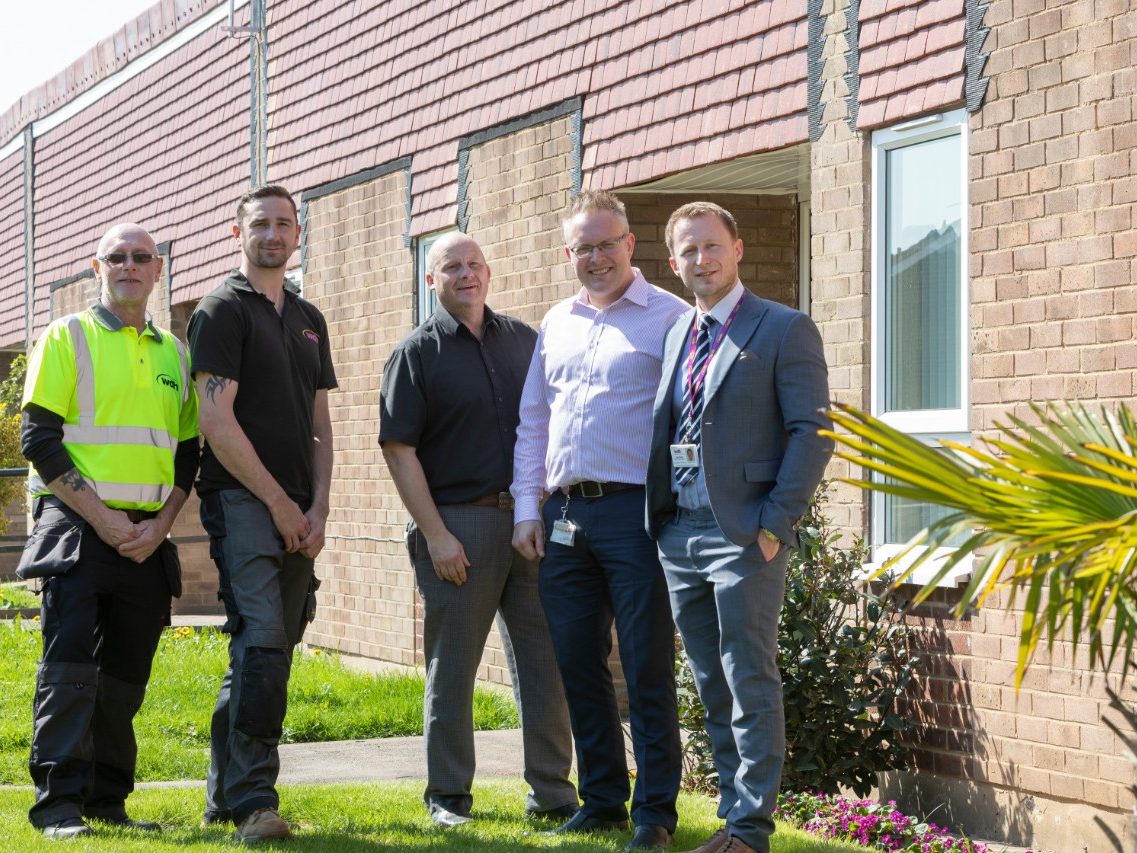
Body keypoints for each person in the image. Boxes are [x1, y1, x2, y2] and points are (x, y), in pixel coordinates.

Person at [645, 202, 832, 853]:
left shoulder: (782, 327)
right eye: (688, 251)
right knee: (708, 680)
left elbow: (813, 430)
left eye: (711, 246)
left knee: (747, 676)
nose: (702, 260)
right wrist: (661, 523)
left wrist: (775, 524)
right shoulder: (676, 333)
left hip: (745, 533)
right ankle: (732, 818)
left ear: (738, 249)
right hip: (680, 534)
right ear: (673, 263)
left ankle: (751, 831)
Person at [379, 232, 577, 828]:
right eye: (451, 267)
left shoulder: (524, 340)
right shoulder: (415, 353)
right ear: (431, 280)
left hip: (527, 521)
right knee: (454, 664)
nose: (466, 275)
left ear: (488, 272)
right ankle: (449, 796)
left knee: (546, 661)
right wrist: (436, 534)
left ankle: (552, 793)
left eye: (474, 265)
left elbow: (546, 425)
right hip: (457, 525)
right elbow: (398, 450)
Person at [512, 189, 686, 852]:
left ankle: (655, 811)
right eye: (582, 246)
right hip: (561, 516)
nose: (594, 256)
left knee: (644, 663)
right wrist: (528, 507)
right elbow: (534, 421)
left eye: (605, 242)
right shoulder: (556, 321)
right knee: (576, 662)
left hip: (635, 513)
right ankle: (604, 798)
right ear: (569, 253)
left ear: (629, 245)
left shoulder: (668, 318)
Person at [18, 223, 199, 838]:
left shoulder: (176, 352)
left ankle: (107, 800)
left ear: (158, 269)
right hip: (76, 526)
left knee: (125, 674)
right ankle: (58, 804)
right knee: (68, 668)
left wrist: (159, 528)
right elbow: (38, 437)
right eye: (115, 258)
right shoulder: (67, 335)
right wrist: (105, 520)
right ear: (97, 269)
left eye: (140, 257)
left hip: (147, 537)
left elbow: (187, 454)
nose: (128, 266)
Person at [188, 184, 336, 844]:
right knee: (264, 642)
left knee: (264, 644)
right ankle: (256, 801)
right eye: (260, 224)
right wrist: (278, 503)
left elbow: (319, 423)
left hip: (300, 511)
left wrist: (320, 506)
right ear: (236, 231)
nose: (272, 234)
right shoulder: (222, 310)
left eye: (283, 223)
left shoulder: (307, 316)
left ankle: (223, 796)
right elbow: (215, 421)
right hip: (244, 503)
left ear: (297, 233)